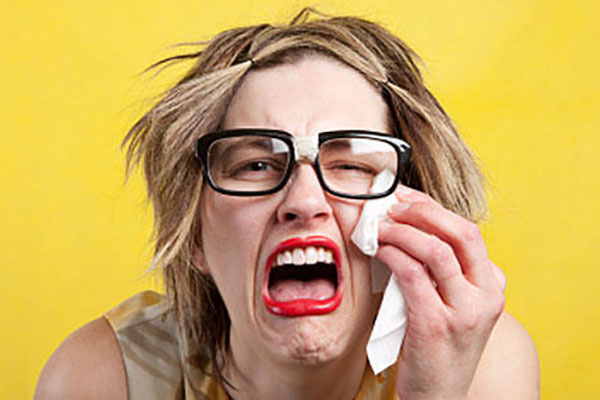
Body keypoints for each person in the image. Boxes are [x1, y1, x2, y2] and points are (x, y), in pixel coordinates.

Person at [35, 9, 539, 400]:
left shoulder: (477, 363)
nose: (303, 201)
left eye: (352, 165)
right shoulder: (102, 377)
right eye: (255, 165)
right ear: (193, 236)